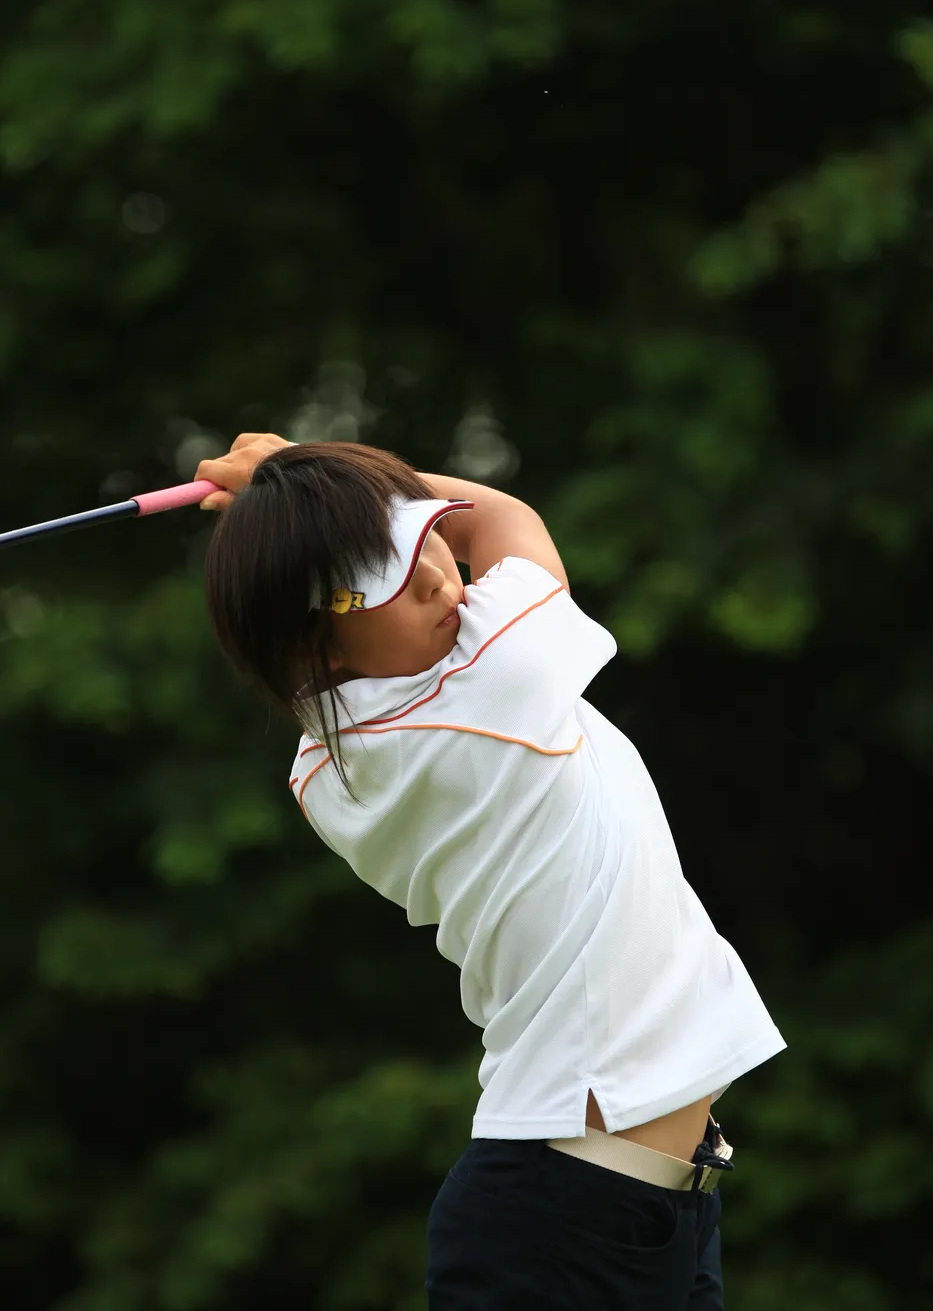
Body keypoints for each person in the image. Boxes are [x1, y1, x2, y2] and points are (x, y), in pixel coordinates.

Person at [196, 432, 787, 1310]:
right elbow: (498, 516)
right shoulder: (496, 674)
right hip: (575, 1214)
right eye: (388, 577)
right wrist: (311, 468)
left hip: (617, 1204)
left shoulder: (322, 771)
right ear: (320, 646)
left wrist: (305, 505)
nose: (438, 579)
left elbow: (451, 545)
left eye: (421, 540)